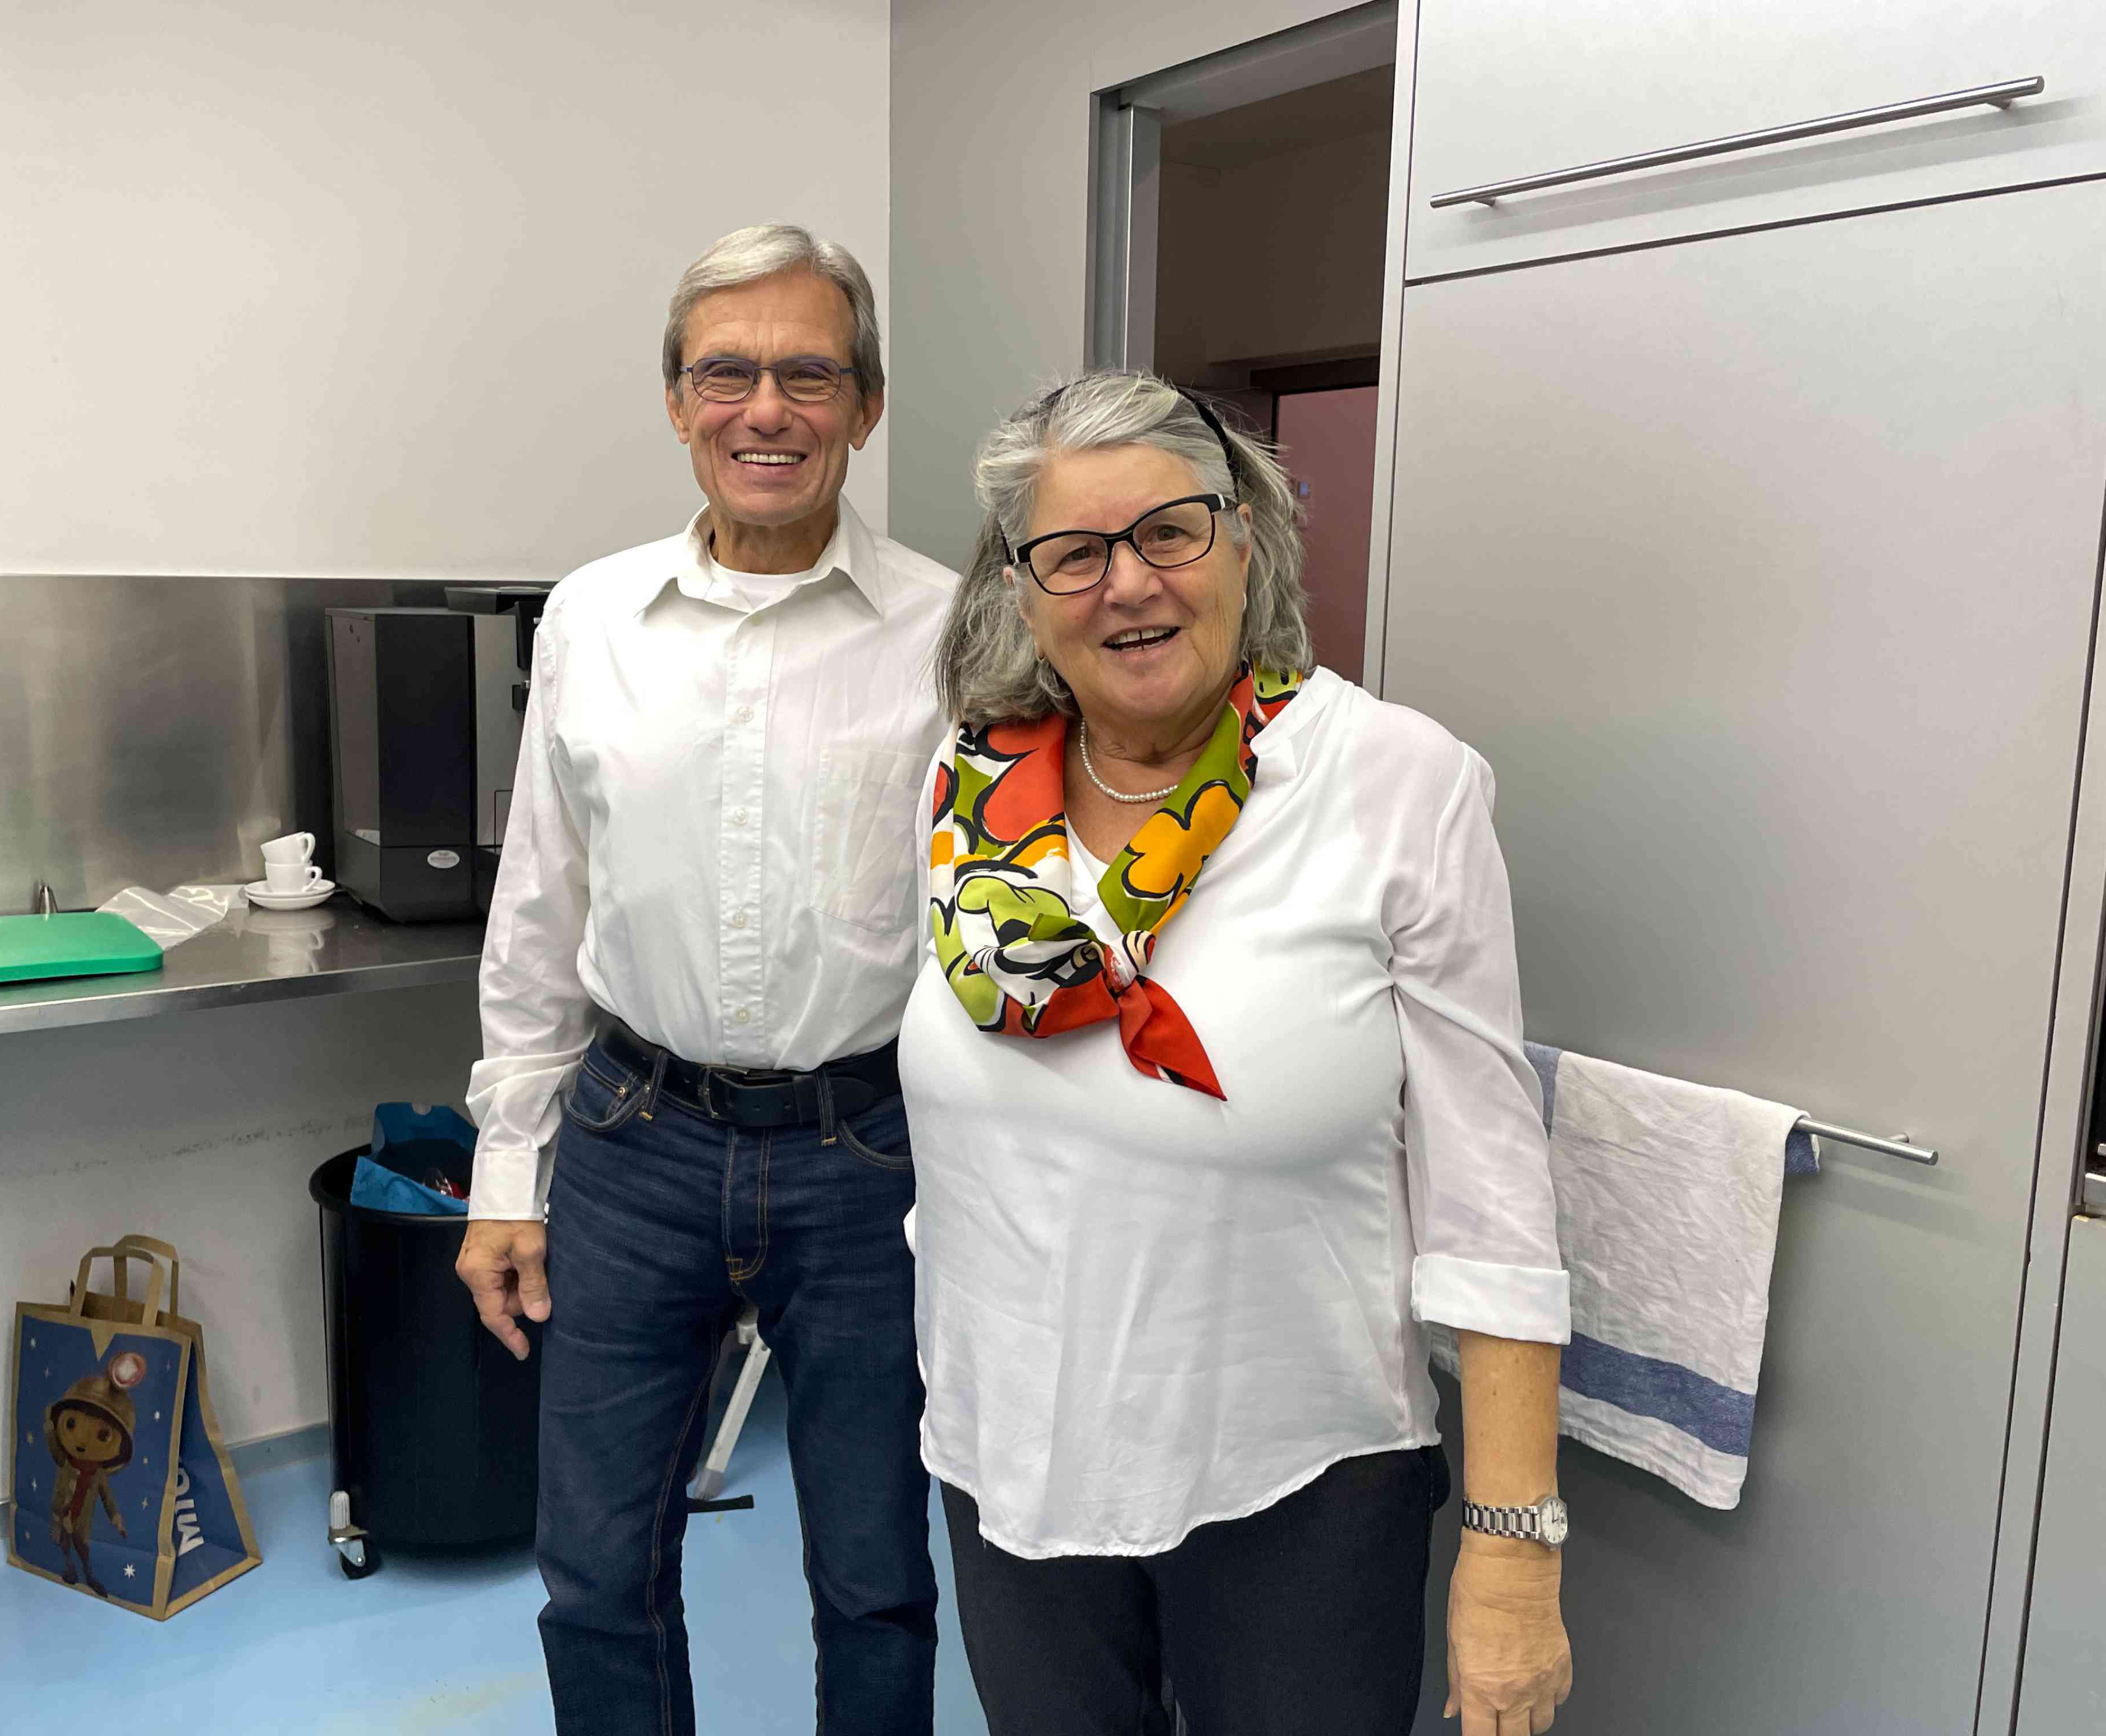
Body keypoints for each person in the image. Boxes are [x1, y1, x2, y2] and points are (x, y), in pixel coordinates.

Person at [905, 370, 1576, 1736]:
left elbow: (1493, 1194)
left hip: (1297, 1481)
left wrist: (1513, 1547)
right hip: (1007, 1460)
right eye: (1073, 553)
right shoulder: (968, 792)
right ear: (1021, 592)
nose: (1128, 585)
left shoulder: (1397, 780)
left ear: (1245, 539)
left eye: (1170, 531)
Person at [456, 223, 955, 1735]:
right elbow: (541, 904)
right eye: (726, 373)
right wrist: (505, 1174)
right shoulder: (593, 617)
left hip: (871, 1156)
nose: (767, 409)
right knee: (595, 1572)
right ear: (677, 401)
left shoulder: (952, 632)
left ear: (867, 404)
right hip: (634, 1142)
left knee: (876, 1575)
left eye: (811, 374)